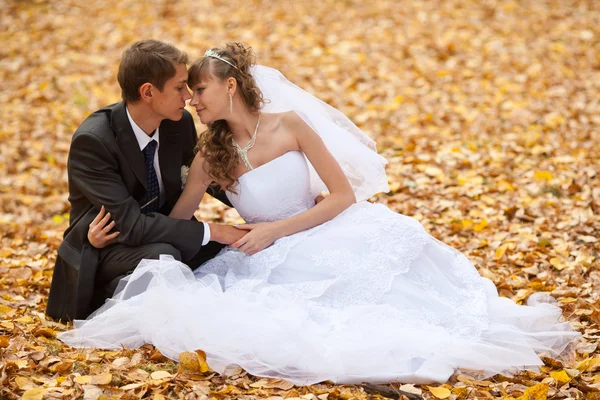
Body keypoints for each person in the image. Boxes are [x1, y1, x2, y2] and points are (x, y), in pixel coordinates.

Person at [58, 42, 580, 385]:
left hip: (320, 227)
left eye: (199, 90)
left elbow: (341, 196)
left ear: (230, 85)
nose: (192, 101)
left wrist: (277, 229)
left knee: (395, 277)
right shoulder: (205, 153)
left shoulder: (291, 126)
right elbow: (179, 214)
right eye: (187, 91)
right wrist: (140, 234)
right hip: (262, 252)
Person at [45, 39, 246, 322]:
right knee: (165, 257)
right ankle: (110, 301)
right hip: (108, 246)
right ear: (148, 92)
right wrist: (215, 230)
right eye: (179, 87)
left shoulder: (178, 124)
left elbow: (206, 178)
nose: (188, 96)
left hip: (166, 234)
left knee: (234, 250)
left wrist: (261, 206)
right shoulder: (94, 141)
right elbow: (131, 225)